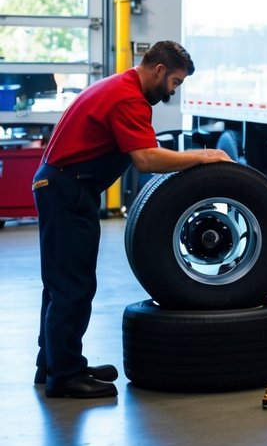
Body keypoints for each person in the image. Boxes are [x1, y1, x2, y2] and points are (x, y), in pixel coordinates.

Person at [32, 40, 231, 399]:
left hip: (60, 185)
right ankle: (65, 376)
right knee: (73, 286)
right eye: (175, 82)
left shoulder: (121, 85)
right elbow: (145, 159)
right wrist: (202, 158)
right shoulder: (129, 98)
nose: (173, 90)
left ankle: (53, 364)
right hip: (66, 189)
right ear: (159, 70)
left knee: (60, 283)